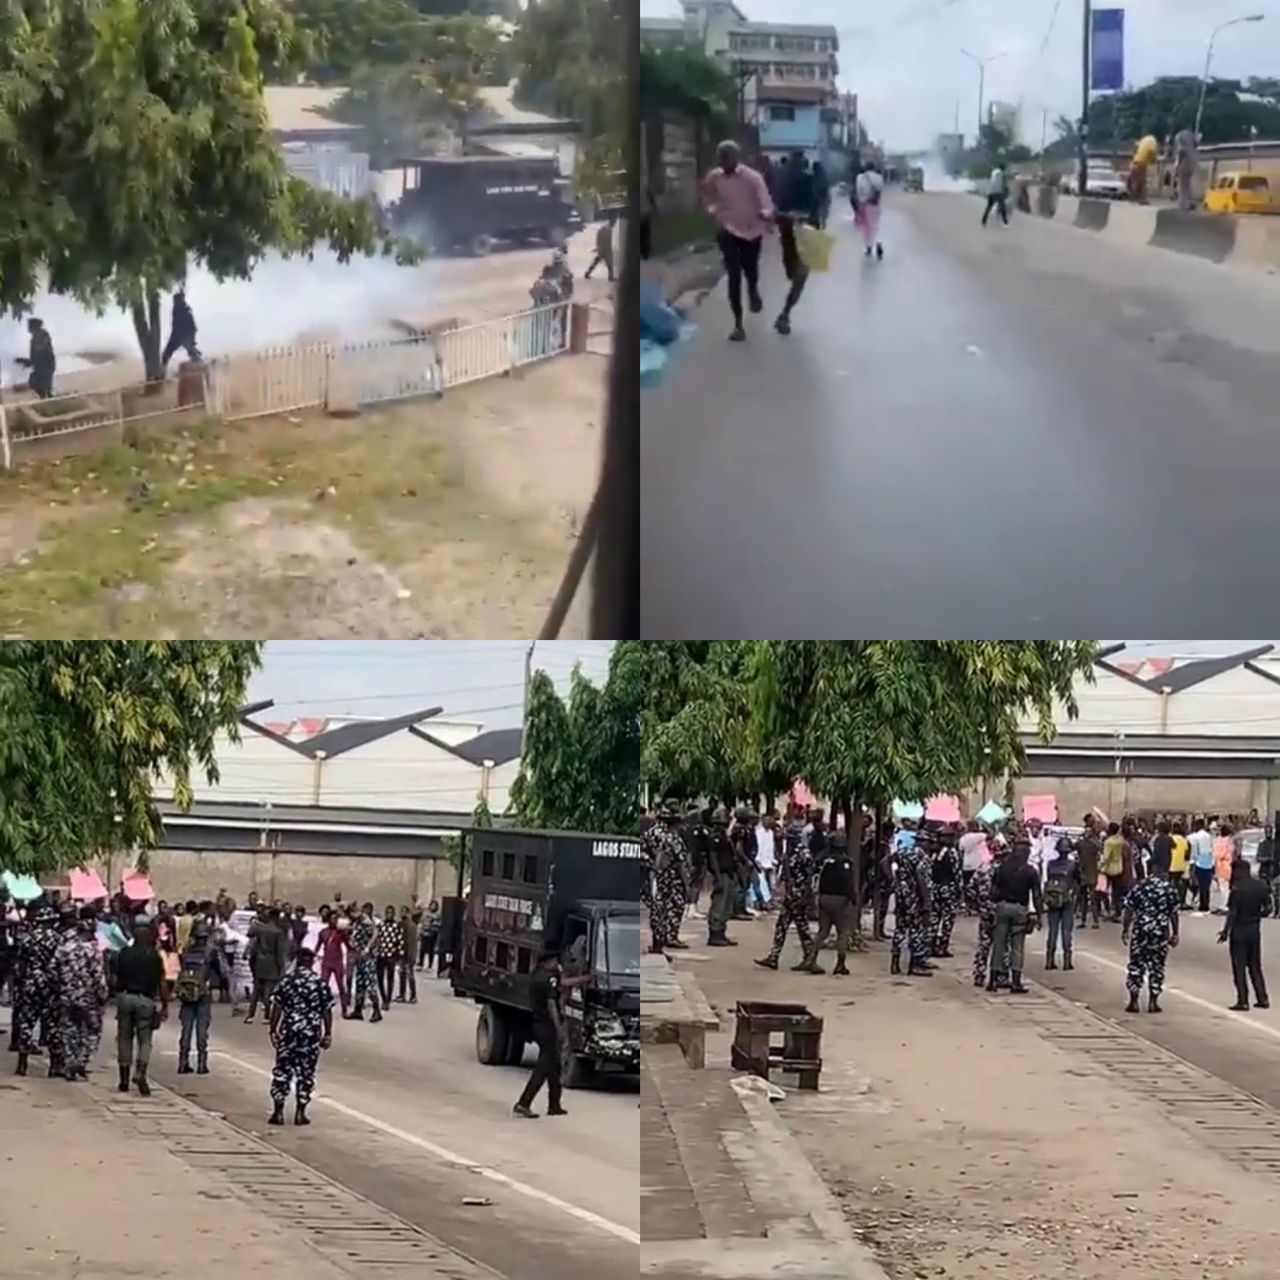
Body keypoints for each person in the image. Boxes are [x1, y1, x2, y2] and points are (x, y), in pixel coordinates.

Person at [702, 139, 773, 342]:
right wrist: (712, 209)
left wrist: (766, 213)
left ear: (736, 158)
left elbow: (765, 200)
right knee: (733, 274)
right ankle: (738, 325)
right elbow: (706, 194)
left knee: (750, 269)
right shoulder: (714, 177)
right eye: (721, 159)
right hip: (729, 229)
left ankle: (753, 289)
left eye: (728, 158)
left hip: (752, 230)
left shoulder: (753, 177)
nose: (724, 163)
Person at [513, 949, 589, 1119]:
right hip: (548, 1026)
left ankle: (554, 1104)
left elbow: (563, 983)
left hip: (538, 1024)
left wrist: (584, 979)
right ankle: (523, 1103)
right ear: (547, 961)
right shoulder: (549, 978)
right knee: (543, 1067)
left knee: (554, 1066)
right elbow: (551, 1004)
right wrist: (558, 1027)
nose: (557, 962)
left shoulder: (536, 975)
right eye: (555, 959)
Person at [268, 946, 334, 1126]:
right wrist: (328, 1033)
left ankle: (278, 1111)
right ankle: (300, 1112)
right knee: (306, 1073)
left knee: (283, 1070)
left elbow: (277, 1007)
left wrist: (273, 1030)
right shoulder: (319, 983)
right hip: (310, 1034)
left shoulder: (287, 981)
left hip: (289, 1032)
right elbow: (327, 1010)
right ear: (312, 962)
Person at [755, 812, 819, 972]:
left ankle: (809, 959)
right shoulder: (790, 853)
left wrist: (805, 894)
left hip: (798, 896)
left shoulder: (803, 854)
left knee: (800, 927)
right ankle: (775, 957)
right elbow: (787, 872)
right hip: (791, 895)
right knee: (784, 926)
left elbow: (809, 875)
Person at [51, 906, 106, 1082]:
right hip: (87, 997)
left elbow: (52, 970)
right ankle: (81, 1061)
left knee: (68, 1030)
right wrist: (103, 995)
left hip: (67, 995)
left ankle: (69, 1062)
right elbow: (98, 976)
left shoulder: (64, 948)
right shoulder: (93, 951)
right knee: (92, 1030)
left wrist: (62, 986)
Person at [115, 919, 168, 1095]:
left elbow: (114, 978)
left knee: (124, 1037)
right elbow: (162, 982)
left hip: (125, 996)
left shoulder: (123, 953)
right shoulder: (154, 956)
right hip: (145, 999)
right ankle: (140, 1072)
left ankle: (123, 1079)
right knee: (145, 1039)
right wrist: (165, 1004)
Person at [771, 149, 819, 337]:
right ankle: (785, 314)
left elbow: (775, 203)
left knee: (795, 271)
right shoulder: (806, 180)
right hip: (802, 227)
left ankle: (785, 313)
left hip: (787, 227)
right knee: (801, 274)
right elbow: (814, 206)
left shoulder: (780, 178)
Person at [1122, 863, 1180, 1014]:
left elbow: (1129, 908)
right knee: (1157, 966)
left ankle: (1133, 1001)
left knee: (1136, 965)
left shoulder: (1139, 886)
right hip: (1160, 932)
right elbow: (1174, 912)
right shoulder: (1169, 889)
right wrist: (1175, 933)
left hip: (1141, 930)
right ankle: (1153, 1001)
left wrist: (1125, 929)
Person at [12, 900, 60, 1077]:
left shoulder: (27, 939)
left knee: (27, 1022)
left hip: (31, 984)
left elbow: (20, 964)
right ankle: (55, 1064)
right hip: (49, 985)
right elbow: (59, 964)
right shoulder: (57, 939)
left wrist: (21, 982)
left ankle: (22, 1063)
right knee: (52, 1024)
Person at [987, 840, 1042, 994]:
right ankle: (1016, 982)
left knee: (999, 943)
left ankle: (992, 980)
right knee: (1017, 946)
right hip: (1019, 908)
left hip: (1003, 906)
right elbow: (1036, 895)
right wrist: (1038, 914)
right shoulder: (1030, 871)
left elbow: (994, 889)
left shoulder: (1002, 868)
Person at [1219, 859, 1271, 1011]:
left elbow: (1232, 913)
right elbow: (1268, 908)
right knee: (1255, 965)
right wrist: (1257, 915)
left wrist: (1225, 932)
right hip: (1254, 929)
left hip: (1239, 930)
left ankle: (1243, 1000)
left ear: (1238, 871)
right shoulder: (1260, 885)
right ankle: (1262, 998)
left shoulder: (1237, 889)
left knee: (1239, 966)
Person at [644, 801, 691, 953]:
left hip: (654, 879)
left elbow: (644, 853)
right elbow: (681, 864)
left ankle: (658, 942)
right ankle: (669, 938)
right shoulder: (673, 839)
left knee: (657, 910)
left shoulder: (650, 833)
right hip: (672, 881)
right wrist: (687, 885)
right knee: (673, 910)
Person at [175, 918, 217, 1074]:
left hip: (186, 993)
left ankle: (182, 1061)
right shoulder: (210, 952)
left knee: (186, 1029)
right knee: (202, 1030)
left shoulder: (186, 951)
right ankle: (201, 1063)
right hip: (203, 993)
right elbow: (221, 971)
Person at [811, 830, 855, 976]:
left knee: (823, 931)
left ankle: (811, 958)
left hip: (823, 897)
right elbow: (847, 883)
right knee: (842, 933)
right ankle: (840, 964)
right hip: (840, 900)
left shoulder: (823, 859)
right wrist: (853, 898)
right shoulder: (845, 863)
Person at [890, 835, 935, 977]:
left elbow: (886, 862)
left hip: (901, 894)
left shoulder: (903, 852)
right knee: (916, 929)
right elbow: (922, 879)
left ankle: (895, 962)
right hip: (914, 896)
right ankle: (914, 965)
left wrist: (895, 879)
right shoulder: (922, 857)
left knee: (900, 928)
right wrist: (926, 901)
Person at [1043, 837, 1082, 970]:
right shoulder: (1073, 865)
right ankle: (1067, 961)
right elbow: (1078, 880)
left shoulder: (1051, 864)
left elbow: (1048, 880)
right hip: (1067, 898)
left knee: (1052, 930)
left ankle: (1049, 960)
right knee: (1066, 930)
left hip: (1053, 899)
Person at [245, 906, 288, 1024]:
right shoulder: (278, 932)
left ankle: (250, 1015)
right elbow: (279, 952)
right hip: (271, 962)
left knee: (256, 989)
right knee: (268, 990)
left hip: (259, 961)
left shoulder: (260, 929)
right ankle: (266, 1016)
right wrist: (282, 968)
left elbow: (251, 939)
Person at [705, 807, 737, 947]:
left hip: (728, 873)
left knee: (727, 906)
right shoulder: (715, 837)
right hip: (721, 873)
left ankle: (721, 933)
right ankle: (715, 934)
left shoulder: (725, 836)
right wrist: (717, 876)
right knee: (719, 905)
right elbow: (712, 857)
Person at [348, 902, 383, 1021]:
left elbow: (375, 933)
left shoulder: (364, 920)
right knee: (360, 983)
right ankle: (358, 1010)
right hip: (360, 957)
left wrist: (368, 947)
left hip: (368, 957)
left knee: (370, 984)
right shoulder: (356, 921)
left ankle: (376, 1011)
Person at [930, 831, 963, 957]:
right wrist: (960, 891)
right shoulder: (951, 852)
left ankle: (931, 945)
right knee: (948, 919)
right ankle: (943, 947)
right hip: (948, 888)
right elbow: (957, 872)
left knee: (934, 918)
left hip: (935, 887)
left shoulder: (935, 852)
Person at [15, 318, 56, 398]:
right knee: (40, 387)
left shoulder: (41, 335)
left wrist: (27, 361)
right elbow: (37, 354)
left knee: (42, 388)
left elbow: (40, 350)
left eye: (30, 325)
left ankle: (48, 401)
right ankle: (46, 399)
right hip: (42, 366)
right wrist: (27, 361)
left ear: (34, 326)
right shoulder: (37, 336)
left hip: (46, 365)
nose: (28, 327)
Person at [1075, 817, 1103, 928]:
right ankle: (1093, 921)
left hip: (1085, 873)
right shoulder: (1092, 844)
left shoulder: (1082, 844)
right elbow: (1101, 848)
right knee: (1091, 899)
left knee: (1086, 899)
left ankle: (1085, 921)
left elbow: (1072, 846)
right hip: (1090, 873)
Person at [854, 161, 885, 259]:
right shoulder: (879, 177)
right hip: (875, 204)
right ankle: (878, 243)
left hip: (865, 205)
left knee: (866, 228)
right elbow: (880, 190)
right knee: (875, 226)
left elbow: (859, 192)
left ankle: (869, 247)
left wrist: (860, 203)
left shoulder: (860, 178)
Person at [374, 905, 401, 1010]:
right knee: (379, 978)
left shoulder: (396, 926)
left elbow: (400, 941)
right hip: (381, 954)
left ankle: (387, 1000)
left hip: (391, 955)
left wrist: (398, 955)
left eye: (391, 913)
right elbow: (377, 938)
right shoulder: (381, 925)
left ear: (393, 914)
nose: (389, 914)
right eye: (387, 912)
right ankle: (383, 997)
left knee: (390, 978)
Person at [751, 810, 778, 909]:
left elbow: (771, 846)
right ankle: (760, 901)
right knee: (761, 882)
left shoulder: (771, 832)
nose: (768, 822)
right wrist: (757, 860)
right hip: (760, 861)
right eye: (766, 820)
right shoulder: (758, 832)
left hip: (770, 861)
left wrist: (773, 859)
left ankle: (769, 900)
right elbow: (758, 847)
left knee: (771, 883)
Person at [1189, 817, 1215, 913]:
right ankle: (1205, 904)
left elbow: (1194, 851)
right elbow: (1212, 849)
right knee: (1206, 886)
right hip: (1208, 863)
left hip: (1199, 862)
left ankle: (1200, 903)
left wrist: (1192, 863)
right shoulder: (1209, 836)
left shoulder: (1195, 837)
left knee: (1197, 884)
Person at [583, 213, 616, 282]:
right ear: (611, 222)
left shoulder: (607, 229)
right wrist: (598, 247)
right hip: (603, 250)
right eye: (614, 222)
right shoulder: (605, 229)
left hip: (605, 250)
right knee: (607, 264)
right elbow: (599, 239)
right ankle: (610, 277)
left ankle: (610, 277)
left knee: (603, 263)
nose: (614, 224)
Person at [1173, 123, 1199, 211]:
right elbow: (1196, 144)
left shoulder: (1178, 136)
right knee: (1188, 183)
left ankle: (1183, 204)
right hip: (1192, 161)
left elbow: (1181, 151)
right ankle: (1191, 202)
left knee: (1182, 185)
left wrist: (1177, 163)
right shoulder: (1190, 134)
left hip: (1184, 162)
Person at [397, 905, 419, 1003]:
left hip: (408, 953)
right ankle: (403, 994)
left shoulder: (409, 925)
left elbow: (410, 941)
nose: (402, 913)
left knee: (409, 974)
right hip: (403, 952)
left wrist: (410, 955)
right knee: (402, 973)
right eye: (401, 911)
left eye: (404, 911)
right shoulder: (402, 924)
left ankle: (412, 995)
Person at [1127, 132, 1158, 203]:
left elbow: (1136, 147)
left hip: (1134, 161)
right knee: (1141, 182)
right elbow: (1152, 150)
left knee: (1134, 181)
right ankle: (1141, 199)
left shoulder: (1143, 140)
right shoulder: (1152, 140)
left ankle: (1133, 197)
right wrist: (1153, 159)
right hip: (1142, 163)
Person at [417, 900, 440, 972]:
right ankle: (420, 964)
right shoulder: (425, 913)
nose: (432, 907)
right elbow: (421, 922)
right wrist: (420, 931)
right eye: (431, 905)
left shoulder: (438, 915)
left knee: (431, 950)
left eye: (434, 905)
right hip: (425, 933)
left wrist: (432, 925)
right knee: (422, 949)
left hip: (432, 934)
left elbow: (438, 924)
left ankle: (430, 965)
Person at [811, 159, 831, 229]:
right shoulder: (823, 174)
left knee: (818, 213)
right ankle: (823, 226)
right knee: (823, 214)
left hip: (819, 197)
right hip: (824, 196)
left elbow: (815, 187)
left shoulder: (815, 176)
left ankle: (819, 227)